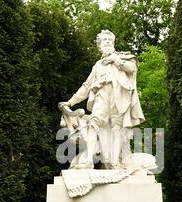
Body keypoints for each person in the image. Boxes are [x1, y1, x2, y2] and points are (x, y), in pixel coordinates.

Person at [59, 30, 145, 169]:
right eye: (104, 40)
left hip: (119, 97)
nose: (107, 41)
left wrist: (114, 59)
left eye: (109, 39)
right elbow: (86, 87)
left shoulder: (122, 57)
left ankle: (115, 162)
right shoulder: (98, 65)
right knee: (93, 123)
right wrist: (70, 102)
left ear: (113, 42)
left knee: (117, 129)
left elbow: (132, 68)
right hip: (102, 96)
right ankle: (88, 161)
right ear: (99, 45)